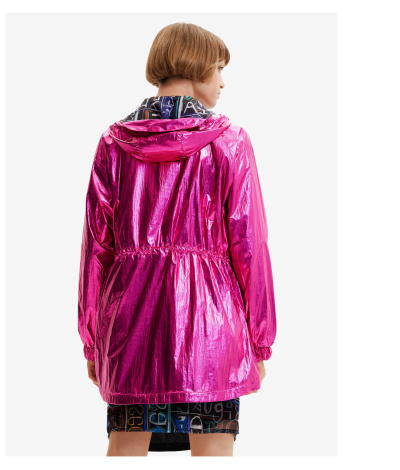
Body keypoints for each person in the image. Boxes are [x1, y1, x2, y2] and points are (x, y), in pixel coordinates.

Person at [78, 22, 277, 457]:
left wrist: (92, 339)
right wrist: (260, 339)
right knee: (213, 453)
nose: (222, 82)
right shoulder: (230, 142)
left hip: (130, 334)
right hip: (212, 332)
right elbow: (250, 247)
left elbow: (96, 250)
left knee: (126, 450)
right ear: (196, 64)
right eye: (219, 68)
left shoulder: (113, 144)